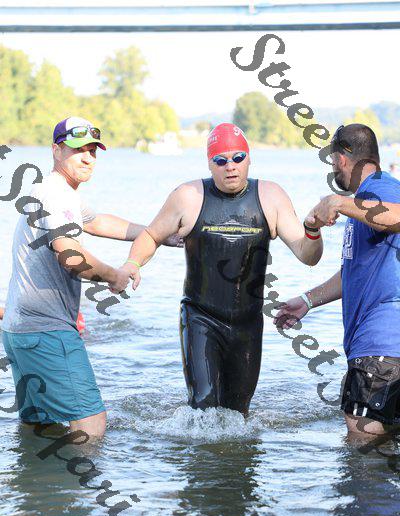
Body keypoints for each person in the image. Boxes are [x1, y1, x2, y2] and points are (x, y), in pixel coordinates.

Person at [120, 122, 323, 415]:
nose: (231, 166)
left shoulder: (271, 196)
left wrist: (313, 230)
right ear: (209, 163)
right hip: (201, 317)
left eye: (238, 158)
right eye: (221, 160)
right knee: (203, 405)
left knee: (238, 414)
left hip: (248, 323)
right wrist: (133, 263)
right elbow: (151, 235)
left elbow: (308, 255)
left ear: (249, 159)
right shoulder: (188, 196)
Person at [1, 116, 181, 438]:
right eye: (77, 150)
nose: (87, 158)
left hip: (19, 331)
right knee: (91, 423)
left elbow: (97, 222)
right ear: (56, 150)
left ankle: (35, 473)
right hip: (47, 330)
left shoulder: (59, 193)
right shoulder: (54, 195)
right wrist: (114, 275)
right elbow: (70, 256)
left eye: (93, 151)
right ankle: (85, 473)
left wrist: (157, 233)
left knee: (39, 426)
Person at [275, 124, 400, 436]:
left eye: (333, 163)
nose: (334, 171)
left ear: (342, 159)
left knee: (363, 446)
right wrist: (307, 301)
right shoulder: (364, 202)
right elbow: (354, 274)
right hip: (381, 350)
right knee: (380, 447)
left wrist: (338, 202)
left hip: (381, 345)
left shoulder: (380, 187)